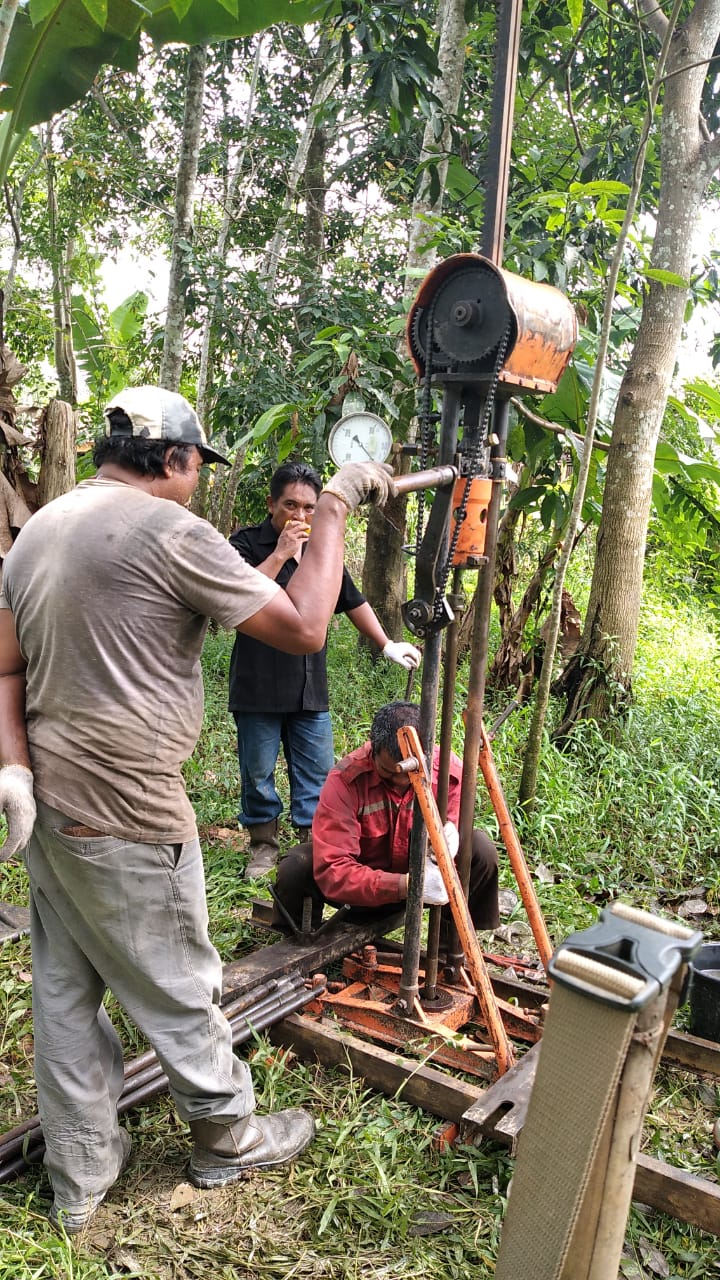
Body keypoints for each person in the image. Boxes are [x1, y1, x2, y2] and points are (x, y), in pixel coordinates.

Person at [0, 384, 396, 1234]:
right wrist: (330, 509)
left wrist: (13, 769)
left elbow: (3, 667)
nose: (195, 481)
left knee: (66, 991)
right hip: (130, 809)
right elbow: (304, 628)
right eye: (195, 466)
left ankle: (81, 1170)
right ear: (175, 459)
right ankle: (227, 1136)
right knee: (181, 983)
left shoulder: (41, 528)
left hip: (49, 807)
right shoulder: (171, 530)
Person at [228, 461, 421, 879]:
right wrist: (281, 553)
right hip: (256, 684)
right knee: (257, 773)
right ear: (271, 504)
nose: (300, 517)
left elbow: (352, 600)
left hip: (308, 687)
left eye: (310, 508)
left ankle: (312, 847)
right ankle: (263, 846)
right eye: (290, 506)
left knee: (317, 772)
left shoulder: (322, 551)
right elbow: (236, 597)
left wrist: (387, 642)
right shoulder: (244, 543)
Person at [273, 701, 500, 936]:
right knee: (296, 866)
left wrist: (448, 837)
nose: (401, 781)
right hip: (363, 892)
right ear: (373, 750)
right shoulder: (345, 782)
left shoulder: (447, 772)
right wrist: (404, 885)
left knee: (480, 849)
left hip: (429, 885)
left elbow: (454, 827)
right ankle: (296, 948)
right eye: (389, 772)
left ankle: (451, 951)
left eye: (410, 774)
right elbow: (334, 869)